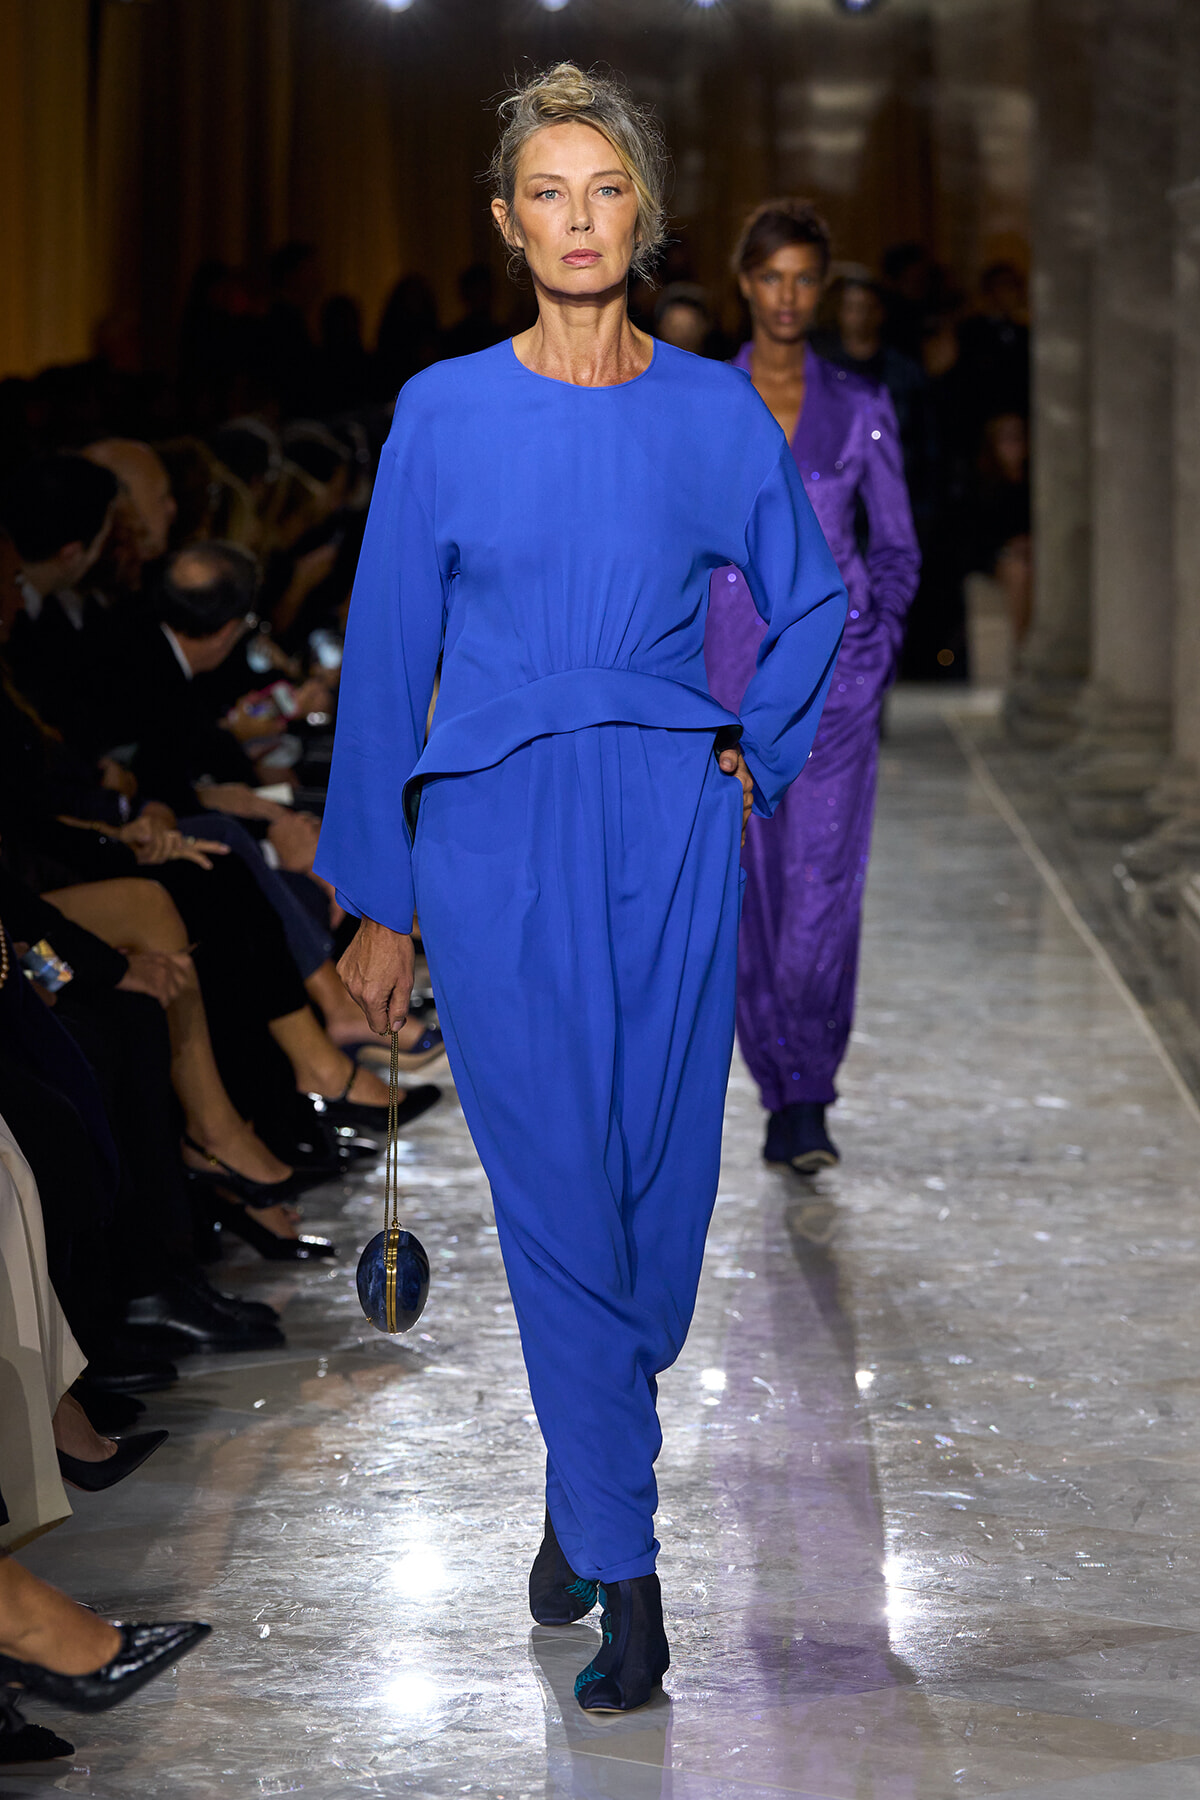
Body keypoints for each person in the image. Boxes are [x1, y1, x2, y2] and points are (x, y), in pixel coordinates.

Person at [316, 64, 846, 1713]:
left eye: (604, 189)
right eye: (546, 192)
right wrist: (381, 902)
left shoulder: (711, 412)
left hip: (669, 825)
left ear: (644, 215)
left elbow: (814, 600)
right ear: (506, 222)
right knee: (554, 1197)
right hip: (492, 834)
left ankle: (580, 1476)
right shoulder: (443, 411)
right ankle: (630, 1574)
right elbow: (387, 654)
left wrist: (754, 748)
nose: (577, 219)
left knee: (657, 1208)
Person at [705, 199, 921, 1173]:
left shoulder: (861, 406)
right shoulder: (705, 401)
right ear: (745, 284)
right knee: (750, 890)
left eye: (803, 278)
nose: (786, 296)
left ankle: (808, 1096)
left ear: (821, 288)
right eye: (770, 277)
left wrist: (877, 647)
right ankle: (776, 1084)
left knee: (823, 889)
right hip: (728, 684)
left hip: (837, 685)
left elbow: (898, 545)